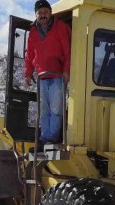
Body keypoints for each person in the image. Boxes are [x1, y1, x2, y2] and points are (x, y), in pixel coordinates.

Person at [24, 0, 71, 145]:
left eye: (45, 12)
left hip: (57, 75)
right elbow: (29, 54)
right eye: (40, 13)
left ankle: (52, 138)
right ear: (36, 15)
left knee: (56, 108)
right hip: (42, 77)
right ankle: (44, 137)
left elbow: (68, 51)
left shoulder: (60, 27)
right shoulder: (33, 32)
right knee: (43, 109)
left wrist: (66, 71)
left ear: (50, 13)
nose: (43, 15)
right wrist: (27, 73)